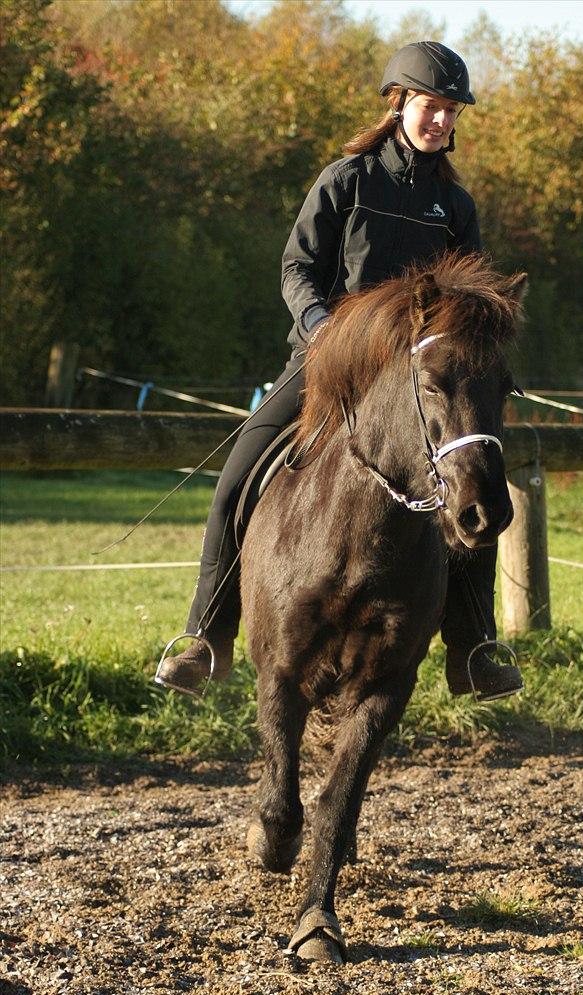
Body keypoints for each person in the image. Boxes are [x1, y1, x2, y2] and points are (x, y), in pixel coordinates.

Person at [155, 41, 524, 702]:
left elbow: (468, 298)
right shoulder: (346, 180)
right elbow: (297, 268)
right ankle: (206, 637)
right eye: (431, 107)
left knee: (476, 480)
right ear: (400, 104)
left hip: (417, 379)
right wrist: (322, 329)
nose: (441, 120)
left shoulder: (455, 206)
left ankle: (473, 649)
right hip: (331, 360)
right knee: (239, 473)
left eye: (451, 111)